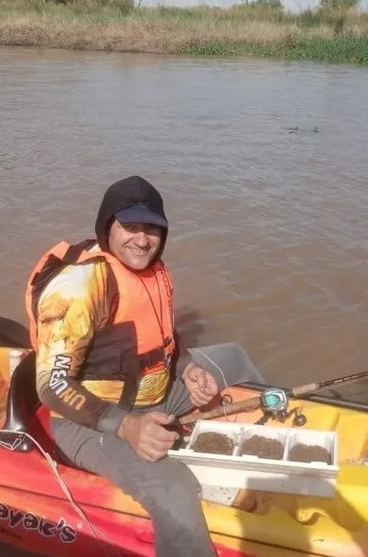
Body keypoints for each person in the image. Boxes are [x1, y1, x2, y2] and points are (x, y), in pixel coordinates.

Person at [24, 175, 265, 556]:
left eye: (151, 228)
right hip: (89, 419)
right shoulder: (80, 287)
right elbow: (52, 386)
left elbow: (165, 341)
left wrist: (186, 369)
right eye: (130, 227)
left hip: (157, 392)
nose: (141, 239)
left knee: (233, 356)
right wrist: (128, 425)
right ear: (108, 228)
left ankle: (269, 454)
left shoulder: (156, 270)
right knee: (174, 487)